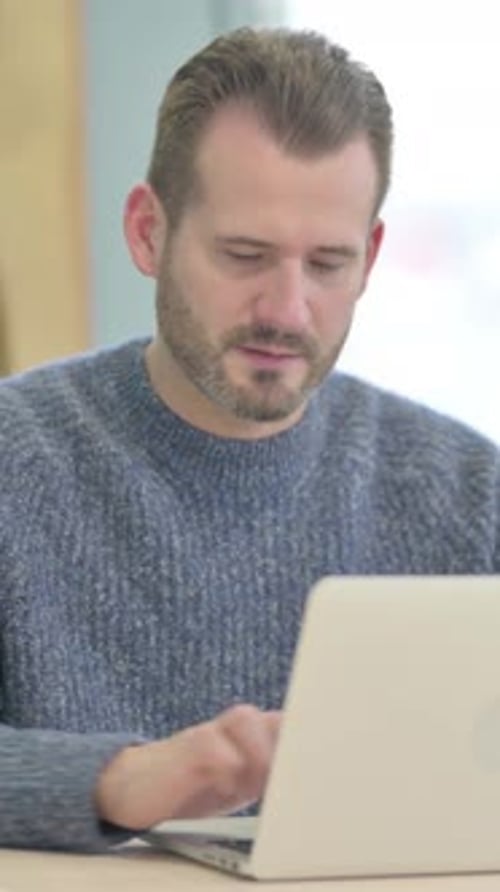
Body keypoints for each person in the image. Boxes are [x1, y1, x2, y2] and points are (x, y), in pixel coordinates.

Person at [1, 26, 499, 854]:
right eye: (244, 254)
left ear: (371, 259)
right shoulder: (17, 460)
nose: (286, 310)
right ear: (148, 232)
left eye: (328, 264)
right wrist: (116, 780)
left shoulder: (470, 493)